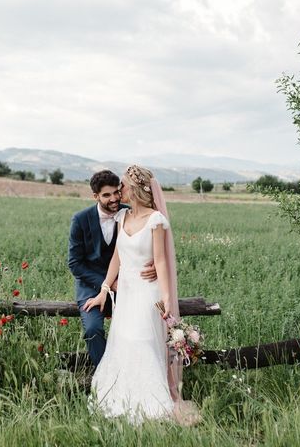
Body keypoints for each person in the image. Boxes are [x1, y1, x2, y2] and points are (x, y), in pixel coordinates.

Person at [83, 165, 200, 425]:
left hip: (148, 292)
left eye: (122, 185)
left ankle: (150, 402)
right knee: (123, 340)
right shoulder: (122, 218)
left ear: (134, 190)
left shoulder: (155, 220)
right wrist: (104, 288)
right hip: (125, 291)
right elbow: (117, 257)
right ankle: (122, 396)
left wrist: (167, 299)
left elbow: (160, 261)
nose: (118, 190)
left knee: (142, 340)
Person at [68, 170, 156, 368]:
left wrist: (157, 266)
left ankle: (136, 370)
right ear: (96, 196)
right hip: (91, 287)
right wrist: (108, 284)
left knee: (138, 328)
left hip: (129, 285)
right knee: (92, 329)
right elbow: (75, 263)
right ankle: (106, 373)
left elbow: (151, 243)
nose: (114, 198)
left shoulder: (129, 213)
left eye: (116, 192)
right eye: (106, 195)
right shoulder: (80, 220)